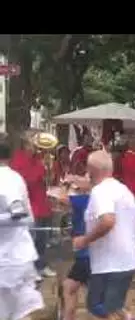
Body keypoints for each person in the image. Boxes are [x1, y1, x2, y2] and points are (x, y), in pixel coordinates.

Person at [72, 150, 135, 320]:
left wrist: (85, 240)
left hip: (110, 264)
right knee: (109, 307)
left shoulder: (100, 191)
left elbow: (108, 221)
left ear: (91, 170)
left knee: (98, 306)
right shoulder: (123, 190)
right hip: (126, 261)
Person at [0, 135, 45, 320]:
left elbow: (19, 215)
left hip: (9, 261)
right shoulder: (14, 177)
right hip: (14, 258)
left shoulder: (6, 179)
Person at [10, 130, 56, 278]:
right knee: (31, 240)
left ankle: (41, 266)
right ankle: (30, 270)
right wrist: (40, 169)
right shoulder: (18, 159)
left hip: (42, 205)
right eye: (33, 140)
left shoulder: (40, 158)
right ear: (25, 143)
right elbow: (25, 181)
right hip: (31, 207)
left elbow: (47, 181)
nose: (36, 144)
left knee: (43, 240)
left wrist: (49, 169)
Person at [61, 189, 92, 320]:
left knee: (98, 301)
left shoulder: (83, 200)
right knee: (69, 286)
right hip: (86, 256)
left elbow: (60, 197)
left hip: (86, 256)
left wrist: (67, 184)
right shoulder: (95, 200)